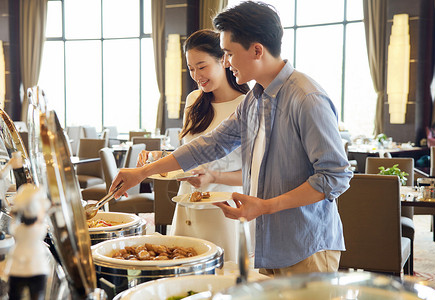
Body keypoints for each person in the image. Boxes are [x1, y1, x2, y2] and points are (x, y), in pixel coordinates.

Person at [112, 1, 352, 275]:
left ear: (257, 50)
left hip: (306, 247)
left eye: (228, 53)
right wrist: (142, 172)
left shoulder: (307, 98)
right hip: (267, 245)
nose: (225, 62)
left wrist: (265, 206)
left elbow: (335, 177)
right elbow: (209, 145)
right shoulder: (253, 100)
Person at [136, 29, 249, 262]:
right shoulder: (193, 101)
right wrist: (161, 157)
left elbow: (253, 174)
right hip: (186, 205)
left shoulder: (247, 106)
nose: (196, 75)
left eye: (202, 66)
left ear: (224, 60)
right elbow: (190, 153)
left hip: (223, 211)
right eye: (191, 68)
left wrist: (213, 176)